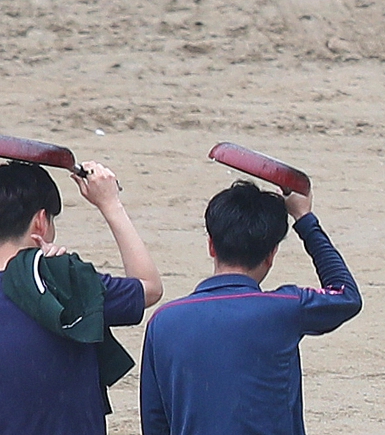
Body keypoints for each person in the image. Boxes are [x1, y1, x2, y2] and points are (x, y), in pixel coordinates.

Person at [0, 160, 163, 435]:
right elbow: (149, 287)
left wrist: (46, 271)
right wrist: (110, 205)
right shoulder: (68, 284)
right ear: (41, 222)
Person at [140, 180, 362, 435]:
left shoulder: (163, 321)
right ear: (271, 254)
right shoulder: (286, 309)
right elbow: (346, 295)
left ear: (212, 245)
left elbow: (155, 421)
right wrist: (305, 218)